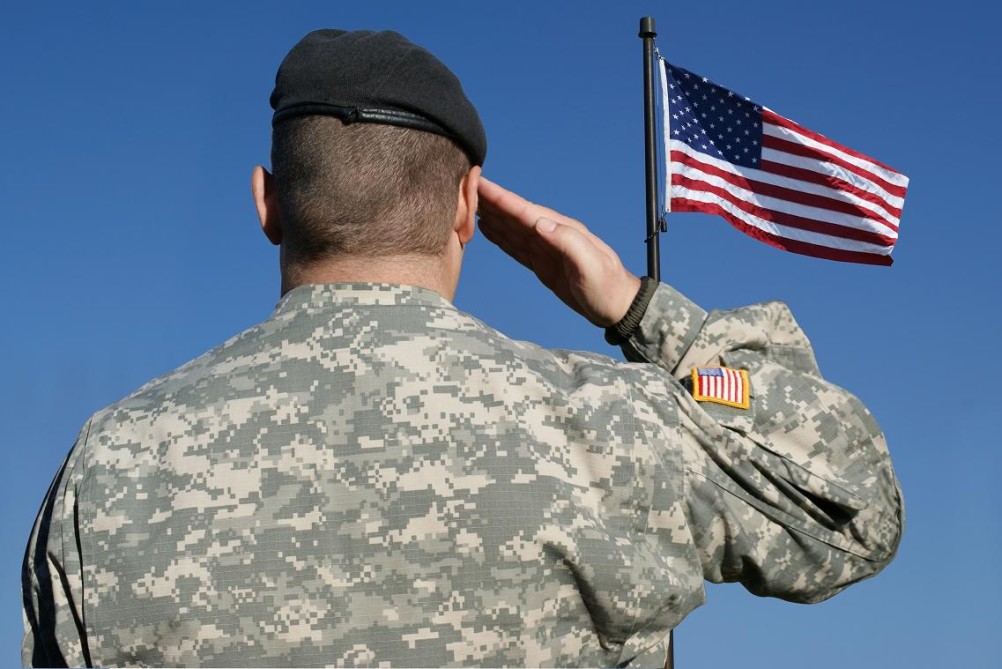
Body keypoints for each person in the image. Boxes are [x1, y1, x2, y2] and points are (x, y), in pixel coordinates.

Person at [22, 29, 903, 668]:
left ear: (269, 203)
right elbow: (856, 504)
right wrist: (640, 312)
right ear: (465, 209)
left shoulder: (110, 464)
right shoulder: (608, 425)